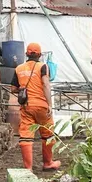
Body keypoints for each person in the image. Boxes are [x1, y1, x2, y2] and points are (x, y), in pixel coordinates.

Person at [12, 43, 62, 171]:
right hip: (42, 106)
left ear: (26, 54)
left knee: (26, 136)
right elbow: (45, 84)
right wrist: (50, 104)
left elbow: (13, 89)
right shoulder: (42, 66)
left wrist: (24, 90)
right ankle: (48, 163)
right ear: (40, 55)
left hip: (27, 106)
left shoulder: (19, 68)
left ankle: (28, 168)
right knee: (48, 135)